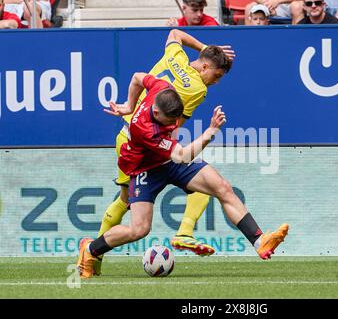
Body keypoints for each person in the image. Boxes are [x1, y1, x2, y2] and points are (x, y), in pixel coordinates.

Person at [76, 73, 290, 279]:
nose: (175, 122)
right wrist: (211, 131)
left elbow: (137, 77)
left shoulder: (162, 88)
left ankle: (259, 241)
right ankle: (91, 249)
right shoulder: (146, 129)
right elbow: (183, 155)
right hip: (145, 168)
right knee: (139, 229)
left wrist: (129, 105)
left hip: (169, 159)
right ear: (157, 113)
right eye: (171, 119)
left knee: (222, 187)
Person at [93, 29, 236, 276]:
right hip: (143, 144)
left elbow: (175, 33)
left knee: (201, 179)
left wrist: (206, 48)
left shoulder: (175, 57)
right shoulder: (197, 89)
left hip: (129, 132)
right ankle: (94, 252)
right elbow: (173, 126)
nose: (217, 80)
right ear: (204, 67)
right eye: (217, 74)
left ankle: (94, 256)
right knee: (193, 174)